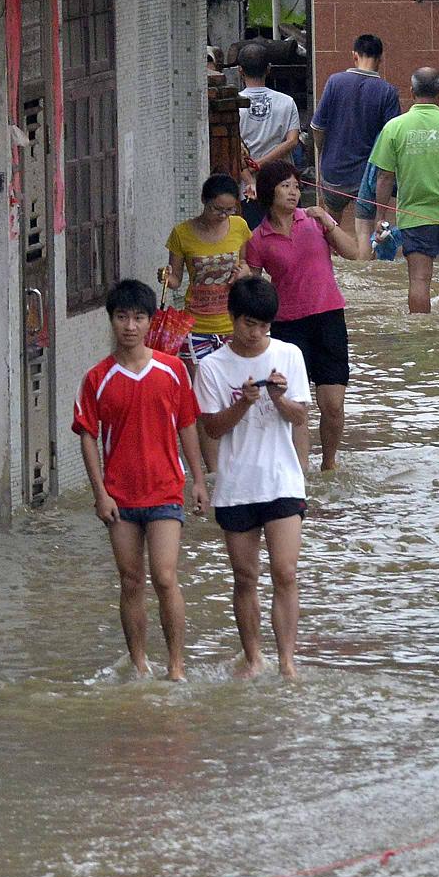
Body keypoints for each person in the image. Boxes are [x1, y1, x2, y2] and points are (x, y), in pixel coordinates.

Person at [68, 279, 206, 678]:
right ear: (111, 320)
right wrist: (100, 494)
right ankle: (139, 663)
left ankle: (176, 666)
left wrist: (197, 480)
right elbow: (88, 438)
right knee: (131, 581)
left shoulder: (173, 370)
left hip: (165, 489)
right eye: (122, 317)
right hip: (120, 497)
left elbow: (188, 426)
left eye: (139, 317)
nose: (130, 325)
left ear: (151, 321)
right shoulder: (96, 378)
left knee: (165, 577)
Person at [192, 272, 312, 679]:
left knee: (286, 572)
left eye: (264, 326)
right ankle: (252, 657)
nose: (256, 333)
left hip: (282, 480)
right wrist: (244, 403)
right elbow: (211, 428)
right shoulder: (211, 367)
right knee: (245, 576)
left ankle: (287, 662)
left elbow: (300, 417)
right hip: (236, 485)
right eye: (249, 324)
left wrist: (279, 399)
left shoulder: (289, 354)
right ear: (232, 317)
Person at [244, 158, 370, 474]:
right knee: (295, 405)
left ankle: (329, 464)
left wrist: (329, 222)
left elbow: (353, 253)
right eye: (285, 186)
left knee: (333, 405)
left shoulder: (314, 222)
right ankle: (297, 469)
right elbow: (254, 289)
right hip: (287, 327)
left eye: (297, 186)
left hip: (328, 318)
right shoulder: (258, 239)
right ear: (268, 192)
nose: (293, 193)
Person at [368, 66, 439, 315]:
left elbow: (384, 176)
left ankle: (421, 334)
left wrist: (380, 217)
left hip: (416, 218)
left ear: (411, 92)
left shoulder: (394, 127)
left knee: (419, 279)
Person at [312, 34, 400, 225]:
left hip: (334, 171)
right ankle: (366, 255)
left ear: (354, 55)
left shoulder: (335, 82)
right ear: (380, 59)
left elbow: (317, 127)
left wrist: (322, 152)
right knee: (365, 232)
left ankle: (331, 254)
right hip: (367, 176)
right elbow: (392, 139)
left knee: (330, 227)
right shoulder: (388, 91)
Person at [162, 175, 250, 355]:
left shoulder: (239, 226)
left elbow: (246, 263)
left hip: (233, 321)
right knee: (199, 381)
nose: (223, 215)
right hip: (196, 325)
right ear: (204, 200)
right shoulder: (182, 233)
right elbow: (176, 280)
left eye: (229, 210)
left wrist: (244, 272)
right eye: (217, 209)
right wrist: (166, 277)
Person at [235, 42, 303, 177]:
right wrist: (259, 164)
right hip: (280, 181)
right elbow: (292, 141)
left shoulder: (233, 104)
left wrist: (254, 167)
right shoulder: (287, 102)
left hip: (246, 183)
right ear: (268, 69)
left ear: (240, 70)